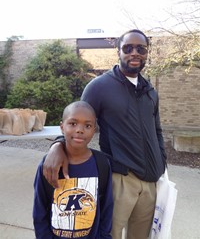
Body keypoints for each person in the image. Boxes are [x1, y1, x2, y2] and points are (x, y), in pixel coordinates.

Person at [43, 29, 167, 239]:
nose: (134, 53)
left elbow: (157, 130)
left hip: (151, 182)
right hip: (121, 178)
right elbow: (77, 120)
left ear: (147, 53)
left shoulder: (150, 91)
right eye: (128, 48)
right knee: (110, 234)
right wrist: (57, 145)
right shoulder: (99, 86)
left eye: (141, 48)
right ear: (118, 52)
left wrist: (162, 161)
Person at [33, 101, 113, 239]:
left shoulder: (102, 164)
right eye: (73, 123)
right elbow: (39, 211)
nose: (80, 130)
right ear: (62, 127)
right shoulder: (49, 165)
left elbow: (107, 207)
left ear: (94, 130)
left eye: (87, 125)